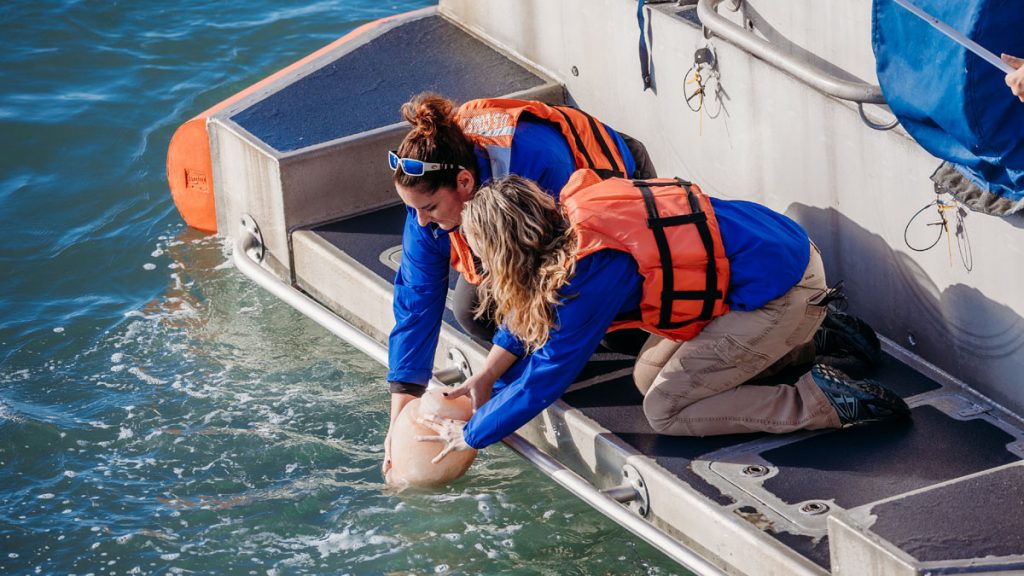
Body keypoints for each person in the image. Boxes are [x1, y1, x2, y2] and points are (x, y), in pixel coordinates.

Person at [413, 172, 910, 456]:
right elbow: (528, 321)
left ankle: (824, 401)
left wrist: (470, 436)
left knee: (666, 410)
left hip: (782, 290)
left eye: (482, 251)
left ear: (508, 249)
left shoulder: (588, 274)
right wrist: (486, 376)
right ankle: (812, 336)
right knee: (648, 375)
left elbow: (546, 378)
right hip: (779, 258)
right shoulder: (570, 219)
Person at [383, 92, 656, 478]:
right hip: (515, 231)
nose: (421, 222)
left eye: (428, 210)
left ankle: (586, 337)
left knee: (612, 328)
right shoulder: (430, 190)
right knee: (472, 310)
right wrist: (400, 416)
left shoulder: (540, 166)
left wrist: (483, 414)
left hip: (597, 209)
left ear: (464, 183)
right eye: (412, 210)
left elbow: (552, 278)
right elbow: (417, 297)